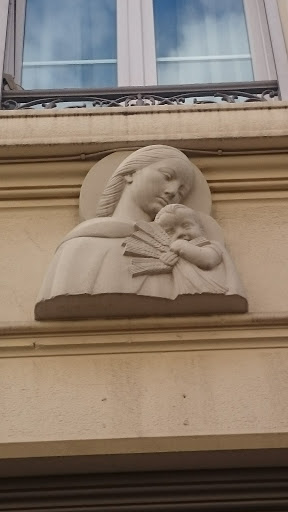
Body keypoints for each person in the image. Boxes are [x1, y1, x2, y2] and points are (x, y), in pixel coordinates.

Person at [35, 145, 247, 319]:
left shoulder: (195, 253)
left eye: (182, 191)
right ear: (130, 174)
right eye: (167, 176)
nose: (173, 191)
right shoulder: (79, 249)